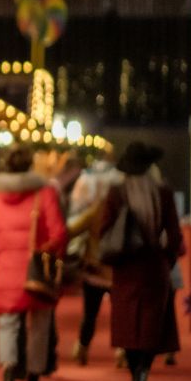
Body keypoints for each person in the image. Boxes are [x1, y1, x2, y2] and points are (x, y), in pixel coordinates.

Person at [0, 144, 67, 381]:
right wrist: (46, 253)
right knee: (39, 326)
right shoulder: (44, 193)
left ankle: (7, 376)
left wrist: (2, 257)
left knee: (8, 325)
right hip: (36, 271)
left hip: (6, 271)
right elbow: (58, 233)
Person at [98, 142, 184, 381]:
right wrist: (167, 260)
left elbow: (104, 230)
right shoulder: (163, 193)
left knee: (127, 326)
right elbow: (175, 235)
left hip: (125, 268)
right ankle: (144, 373)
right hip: (154, 267)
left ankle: (135, 374)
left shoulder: (117, 193)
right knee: (150, 326)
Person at [67, 150, 122, 365]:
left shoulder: (97, 209)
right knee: (119, 314)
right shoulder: (125, 211)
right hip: (117, 269)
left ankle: (82, 348)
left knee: (90, 314)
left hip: (94, 268)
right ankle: (122, 351)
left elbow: (75, 228)